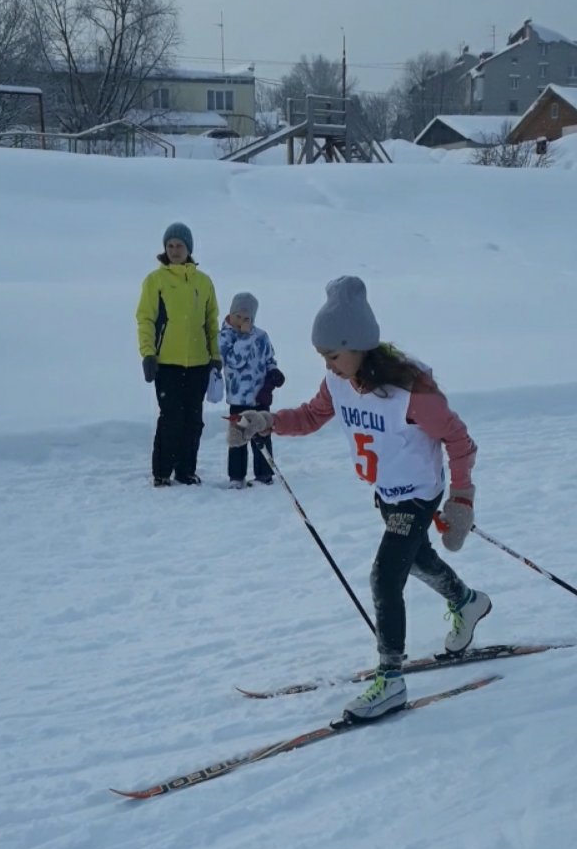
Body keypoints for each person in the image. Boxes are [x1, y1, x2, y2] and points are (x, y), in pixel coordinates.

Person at [229, 275, 491, 720]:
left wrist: (461, 499)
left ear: (358, 345)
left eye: (333, 355)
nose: (328, 365)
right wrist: (265, 421)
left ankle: (390, 680)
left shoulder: (411, 390)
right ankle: (467, 602)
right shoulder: (339, 381)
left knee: (385, 576)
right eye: (323, 357)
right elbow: (312, 416)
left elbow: (460, 441)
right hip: (387, 491)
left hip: (419, 494)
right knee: (416, 558)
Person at [136, 223, 221, 485]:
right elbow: (146, 319)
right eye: (170, 246)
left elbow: (211, 322)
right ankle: (162, 472)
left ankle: (186, 470)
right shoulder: (156, 281)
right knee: (170, 418)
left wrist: (215, 356)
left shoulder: (203, 282)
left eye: (179, 246)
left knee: (193, 420)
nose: (174, 250)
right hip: (167, 363)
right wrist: (148, 354)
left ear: (189, 249)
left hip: (198, 363)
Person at [218, 292, 285, 487]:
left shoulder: (262, 336)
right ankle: (236, 476)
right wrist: (244, 337)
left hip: (259, 397)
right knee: (238, 437)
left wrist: (273, 373)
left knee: (262, 433)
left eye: (246, 318)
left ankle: (264, 473)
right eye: (237, 316)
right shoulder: (225, 337)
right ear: (230, 314)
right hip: (239, 398)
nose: (241, 321)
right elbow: (233, 361)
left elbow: (269, 359)